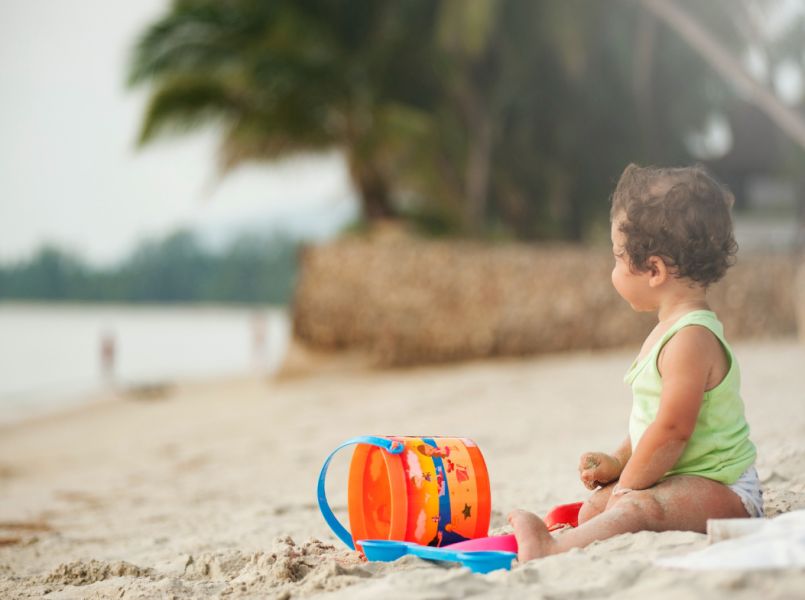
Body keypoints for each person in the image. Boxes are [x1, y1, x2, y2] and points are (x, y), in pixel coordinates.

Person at [508, 164, 763, 562]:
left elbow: (673, 430)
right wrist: (618, 462)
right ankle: (585, 526)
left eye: (616, 257)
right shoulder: (669, 332)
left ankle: (548, 548)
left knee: (636, 507)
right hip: (686, 477)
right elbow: (654, 422)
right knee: (596, 508)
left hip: (727, 490)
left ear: (654, 270)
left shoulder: (690, 339)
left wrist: (628, 487)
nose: (612, 269)